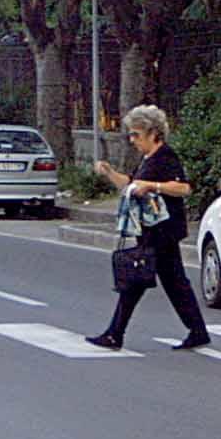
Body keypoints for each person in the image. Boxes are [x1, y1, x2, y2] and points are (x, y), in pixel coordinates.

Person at [86, 105, 212, 351]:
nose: (132, 140)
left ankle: (115, 333)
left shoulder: (166, 156)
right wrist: (110, 173)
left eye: (136, 135)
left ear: (153, 133)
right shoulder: (147, 159)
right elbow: (132, 183)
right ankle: (197, 331)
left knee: (137, 281)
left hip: (163, 230)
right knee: (172, 282)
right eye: (131, 135)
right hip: (152, 229)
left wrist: (153, 186)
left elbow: (183, 188)